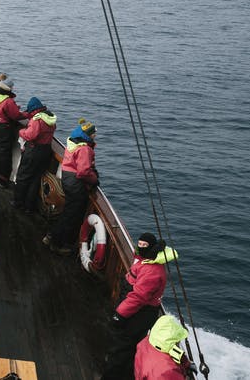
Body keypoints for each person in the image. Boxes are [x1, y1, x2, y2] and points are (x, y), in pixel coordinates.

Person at [100, 233, 180, 380]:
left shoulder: (152, 271)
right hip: (138, 309)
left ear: (152, 248)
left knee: (122, 346)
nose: (140, 247)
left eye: (144, 245)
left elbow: (138, 297)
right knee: (128, 346)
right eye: (140, 244)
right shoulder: (145, 259)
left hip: (140, 313)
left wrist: (120, 315)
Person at [45, 119, 99, 254]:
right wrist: (94, 180)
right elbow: (83, 172)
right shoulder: (85, 149)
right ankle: (57, 243)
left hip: (67, 178)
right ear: (88, 135)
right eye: (93, 133)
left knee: (67, 211)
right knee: (71, 215)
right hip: (75, 183)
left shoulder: (74, 142)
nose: (95, 135)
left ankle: (51, 236)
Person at [12, 96, 56, 214]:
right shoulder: (50, 118)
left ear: (33, 110)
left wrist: (21, 132)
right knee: (35, 179)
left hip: (34, 150)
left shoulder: (37, 120)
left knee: (23, 177)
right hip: (45, 151)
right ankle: (29, 206)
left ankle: (18, 203)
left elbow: (30, 135)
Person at [134, 315, 192, 380]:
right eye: (177, 339)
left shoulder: (147, 342)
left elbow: (173, 351)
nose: (178, 341)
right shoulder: (167, 371)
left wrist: (186, 364)